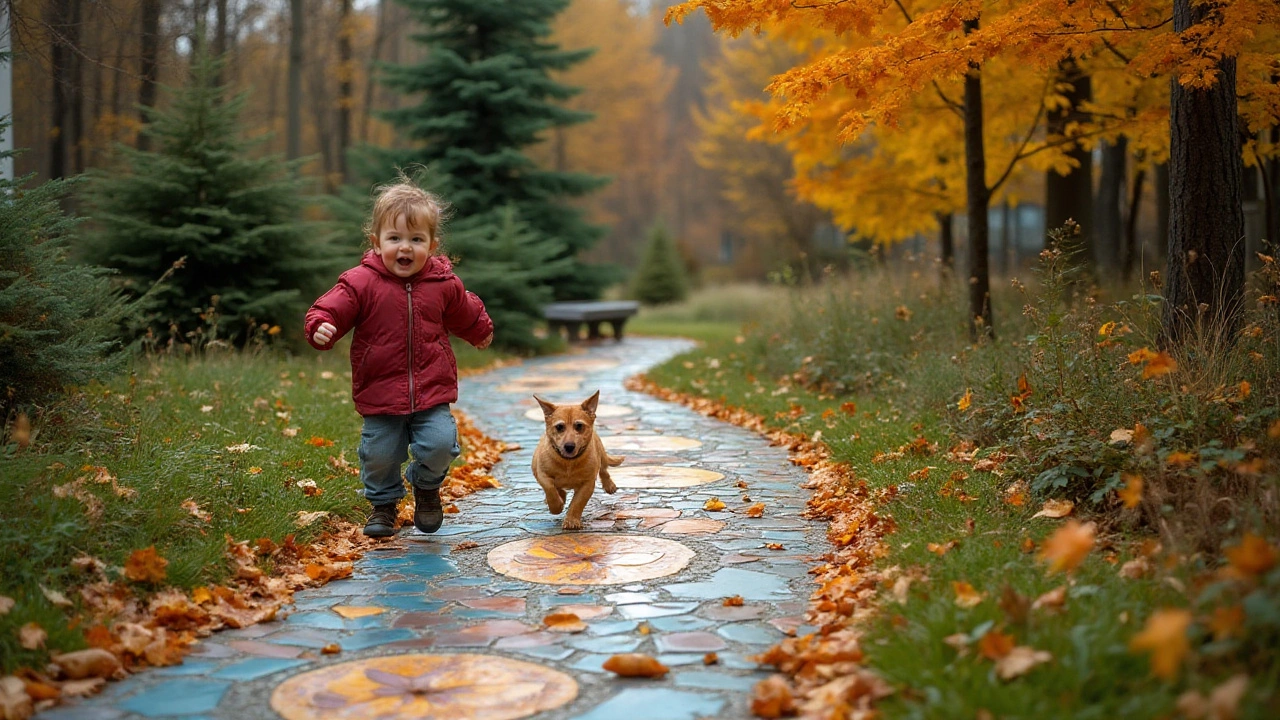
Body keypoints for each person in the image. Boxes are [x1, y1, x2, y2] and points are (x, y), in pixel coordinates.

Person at [305, 179, 493, 538]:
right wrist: (321, 326)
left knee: (440, 443)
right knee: (380, 454)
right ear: (377, 242)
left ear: (432, 245)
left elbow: (464, 313)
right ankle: (384, 505)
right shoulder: (360, 282)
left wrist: (480, 330)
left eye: (416, 240)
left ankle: (425, 486)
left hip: (431, 391)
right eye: (395, 239)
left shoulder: (443, 283)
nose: (404, 248)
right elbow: (331, 308)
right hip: (379, 391)